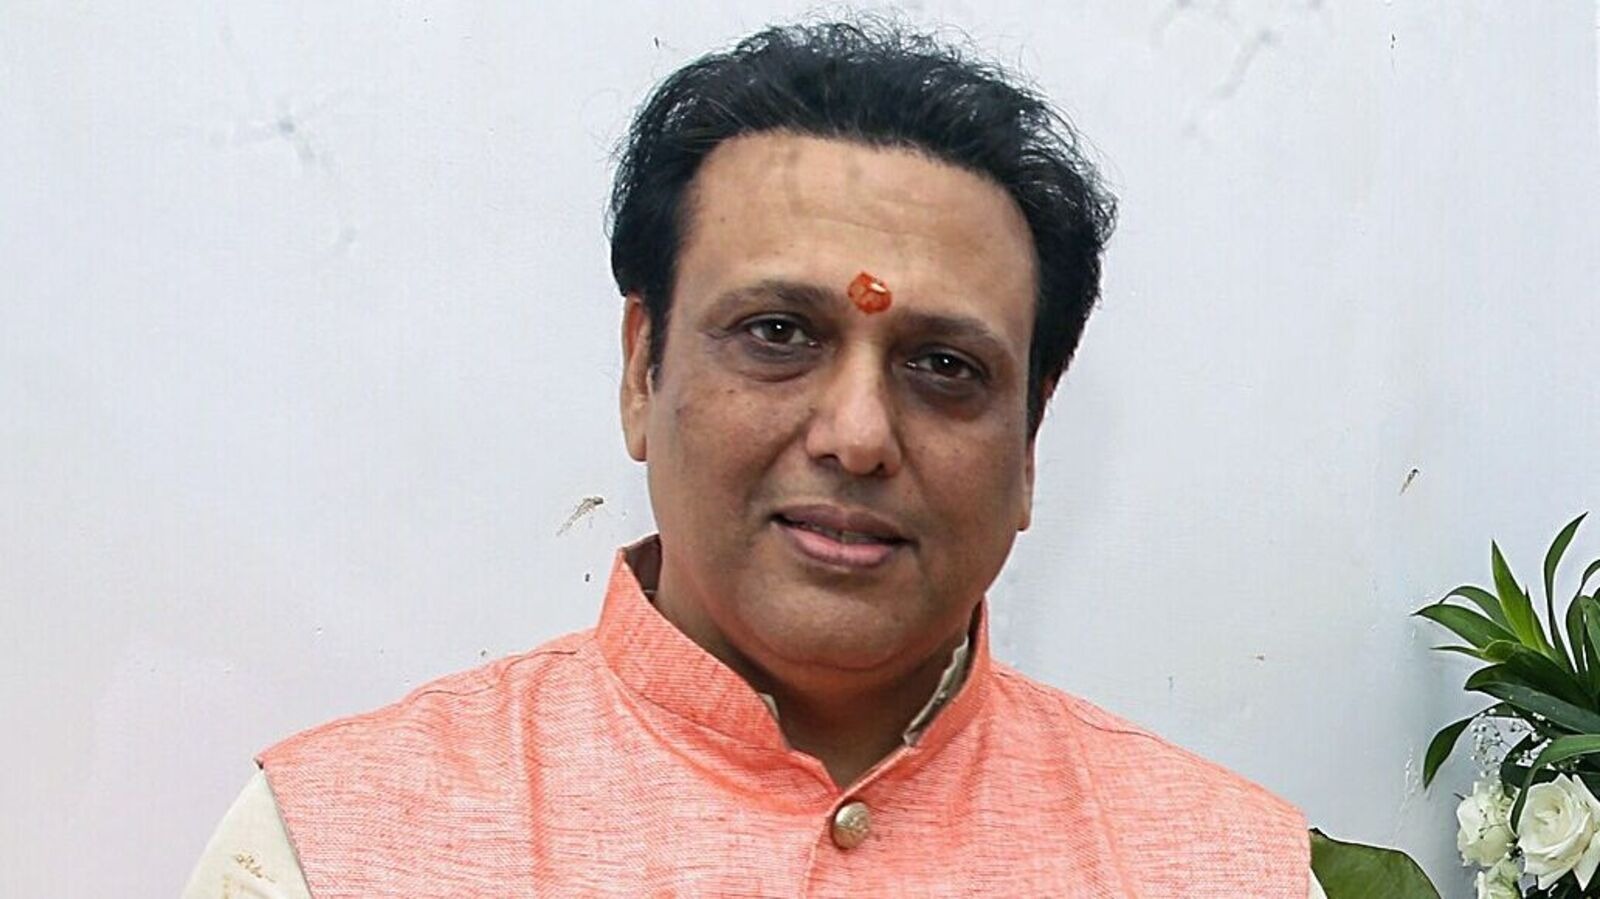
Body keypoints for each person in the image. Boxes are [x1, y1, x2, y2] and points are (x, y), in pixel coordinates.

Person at [185, 19, 1326, 897]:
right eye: (778, 334)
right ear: (643, 372)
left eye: (943, 365)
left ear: (1029, 443)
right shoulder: (336, 851)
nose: (857, 435)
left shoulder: (1230, 870)